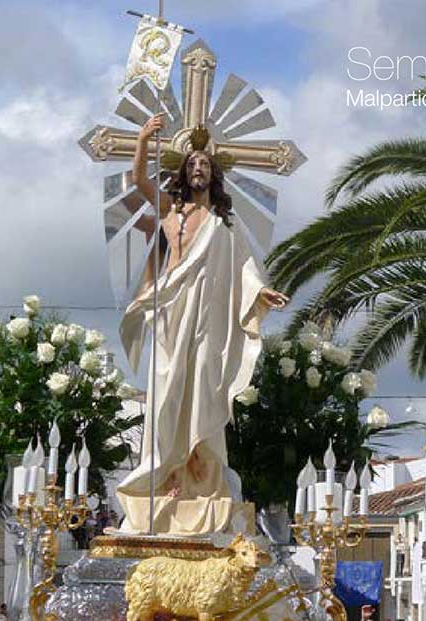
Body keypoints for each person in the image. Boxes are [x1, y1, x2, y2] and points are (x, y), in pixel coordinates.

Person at [117, 113, 289, 535]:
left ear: (213, 176)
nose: (198, 169)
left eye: (205, 166)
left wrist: (259, 294)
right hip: (172, 315)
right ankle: (162, 473)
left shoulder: (224, 227)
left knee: (203, 392)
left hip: (209, 323)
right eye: (192, 164)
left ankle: (198, 471)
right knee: (165, 394)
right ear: (182, 171)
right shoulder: (169, 211)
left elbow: (245, 269)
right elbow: (138, 179)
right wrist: (142, 138)